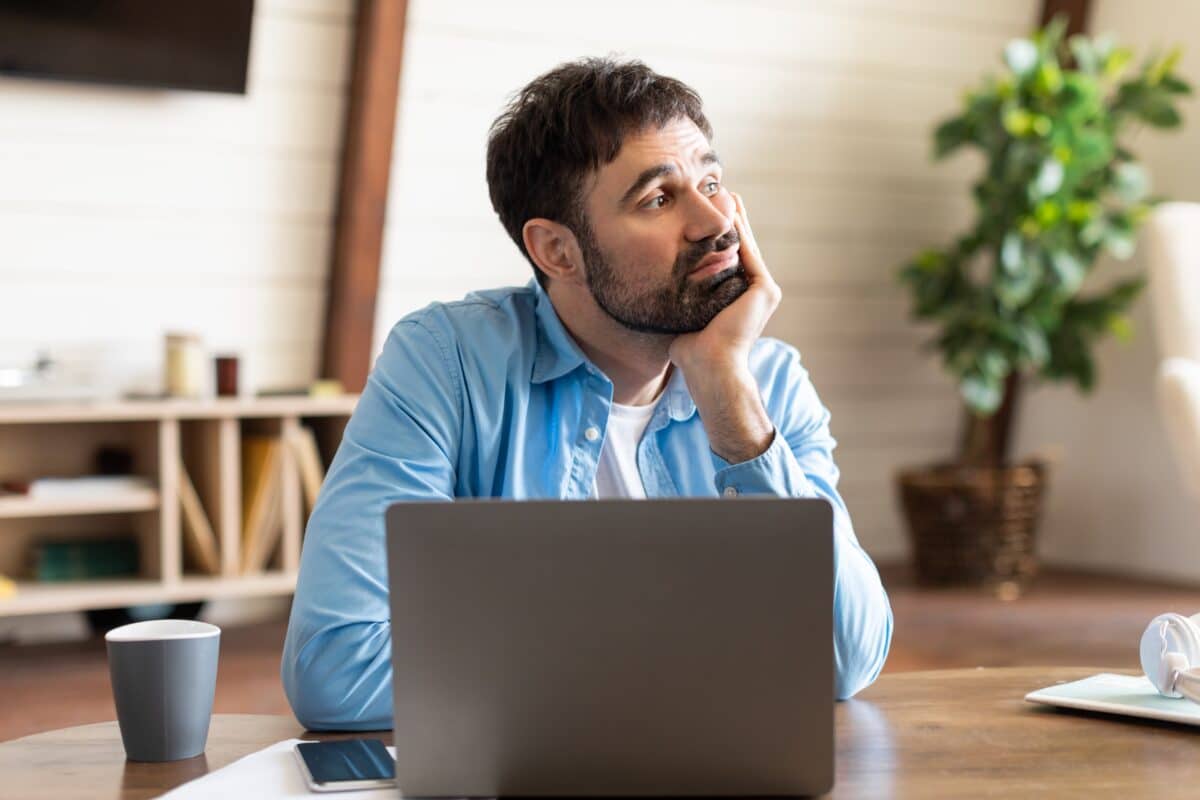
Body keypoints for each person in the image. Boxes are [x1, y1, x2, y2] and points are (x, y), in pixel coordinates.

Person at [281, 57, 893, 730]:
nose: (715, 222)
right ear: (557, 251)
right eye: (659, 199)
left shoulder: (765, 383)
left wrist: (733, 406)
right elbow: (334, 669)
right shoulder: (446, 363)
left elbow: (847, 657)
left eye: (712, 183)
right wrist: (695, 657)